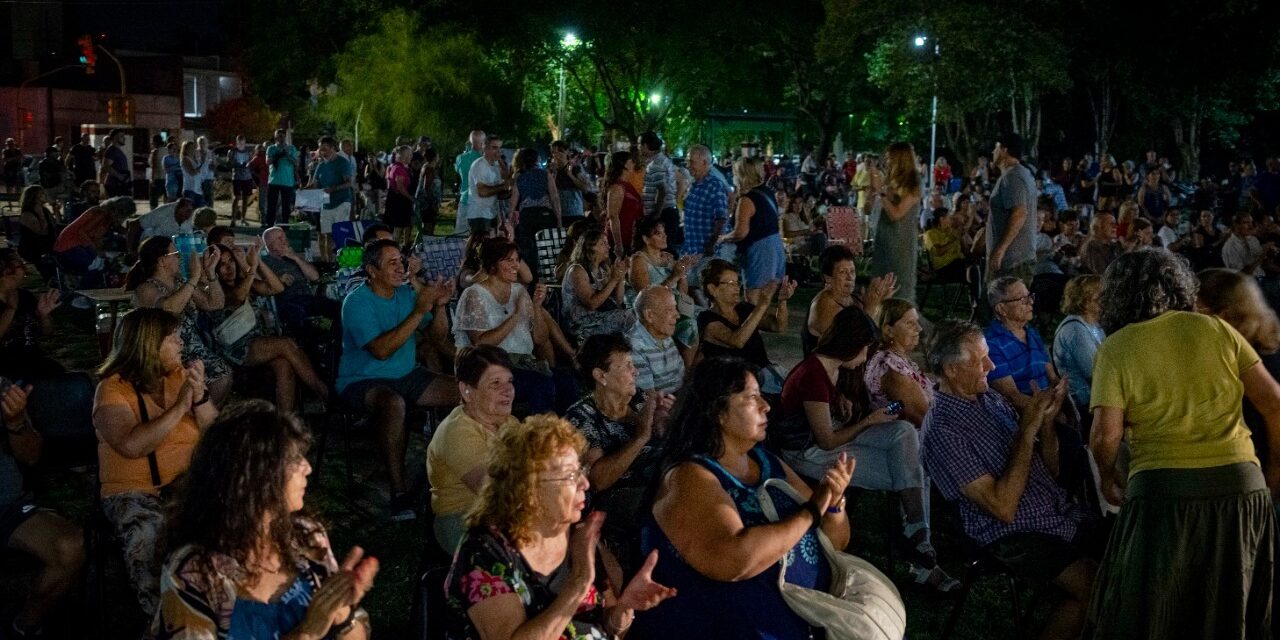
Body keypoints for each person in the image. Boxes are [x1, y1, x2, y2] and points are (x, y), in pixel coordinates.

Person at [1086, 250, 1280, 638]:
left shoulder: (1118, 346)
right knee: (1229, 608)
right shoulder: (1216, 329)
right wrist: (1273, 468)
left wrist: (1108, 479)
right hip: (1241, 487)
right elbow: (1274, 402)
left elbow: (1105, 436)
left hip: (1163, 491)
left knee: (1155, 609)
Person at [632, 357, 852, 638]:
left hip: (805, 618)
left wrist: (834, 505)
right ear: (718, 413)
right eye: (752, 398)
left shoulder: (766, 462)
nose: (766, 406)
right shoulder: (689, 477)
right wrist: (810, 513)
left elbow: (836, 541)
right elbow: (733, 559)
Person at [921, 321, 1096, 640]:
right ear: (952, 369)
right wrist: (1027, 432)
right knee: (1096, 588)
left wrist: (1045, 423)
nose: (992, 366)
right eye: (980, 360)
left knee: (1131, 553)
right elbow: (1002, 508)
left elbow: (1051, 472)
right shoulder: (942, 431)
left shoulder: (989, 400)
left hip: (1054, 510)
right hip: (1009, 534)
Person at [147, 401, 378, 640]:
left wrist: (342, 615)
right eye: (294, 459)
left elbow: (356, 634)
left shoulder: (306, 536)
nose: (307, 468)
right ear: (256, 478)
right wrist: (306, 633)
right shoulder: (196, 572)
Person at [445, 414, 676, 639]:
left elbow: (609, 626)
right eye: (570, 476)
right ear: (529, 489)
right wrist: (579, 582)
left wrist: (624, 608)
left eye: (581, 471)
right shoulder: (484, 552)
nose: (585, 483)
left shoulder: (578, 538)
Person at [779, 306, 956, 591]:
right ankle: (921, 547)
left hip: (833, 439)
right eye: (864, 349)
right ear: (849, 345)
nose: (866, 356)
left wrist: (846, 406)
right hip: (808, 453)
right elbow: (825, 441)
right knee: (915, 467)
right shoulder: (813, 375)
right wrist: (869, 421)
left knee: (904, 432)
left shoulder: (834, 369)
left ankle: (917, 533)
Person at [92, 307, 218, 615]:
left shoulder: (179, 377)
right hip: (133, 492)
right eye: (172, 338)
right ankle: (164, 619)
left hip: (184, 485)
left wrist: (199, 397)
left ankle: (223, 607)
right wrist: (178, 407)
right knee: (149, 538)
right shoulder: (112, 389)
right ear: (149, 344)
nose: (181, 344)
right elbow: (131, 445)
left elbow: (216, 434)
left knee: (230, 520)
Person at [337, 239, 459, 520]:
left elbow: (436, 337)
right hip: (362, 379)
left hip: (406, 374)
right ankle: (398, 491)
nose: (401, 267)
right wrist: (419, 311)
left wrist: (440, 306)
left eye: (401, 261)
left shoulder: (404, 295)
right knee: (394, 405)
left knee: (466, 391)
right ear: (372, 270)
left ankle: (458, 469)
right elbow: (380, 351)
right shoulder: (355, 302)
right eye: (391, 262)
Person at [564, 333, 673, 565]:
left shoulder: (640, 400)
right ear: (600, 375)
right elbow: (598, 481)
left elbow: (663, 442)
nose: (635, 371)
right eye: (626, 366)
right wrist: (641, 436)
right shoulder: (580, 419)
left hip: (659, 479)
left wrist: (664, 423)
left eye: (633, 364)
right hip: (617, 499)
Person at [3, 376, 87, 639]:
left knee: (70, 546)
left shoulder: (4, 389)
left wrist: (15, 422)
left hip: (7, 507)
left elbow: (31, 455)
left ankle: (24, 627)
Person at [453, 237, 577, 414]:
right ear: (493, 264)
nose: (516, 266)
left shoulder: (518, 291)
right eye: (509, 260)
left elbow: (540, 339)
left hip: (523, 363)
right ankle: (538, 437)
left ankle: (564, 434)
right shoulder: (474, 294)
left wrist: (536, 308)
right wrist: (516, 315)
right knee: (541, 383)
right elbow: (481, 344)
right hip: (490, 368)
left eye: (517, 260)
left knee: (566, 380)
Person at [211, 241, 328, 413]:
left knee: (283, 365)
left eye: (231, 261)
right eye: (222, 265)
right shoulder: (218, 290)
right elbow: (238, 296)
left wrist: (257, 261)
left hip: (257, 343)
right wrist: (249, 267)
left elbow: (276, 287)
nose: (229, 268)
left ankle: (283, 424)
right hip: (234, 348)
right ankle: (324, 392)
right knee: (286, 343)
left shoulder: (244, 281)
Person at [425, 345, 520, 553]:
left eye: (509, 381)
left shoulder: (509, 423)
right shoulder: (457, 431)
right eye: (495, 383)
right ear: (466, 390)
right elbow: (491, 489)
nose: (508, 390)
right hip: (463, 519)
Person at [127, 236, 233, 406]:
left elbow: (215, 304)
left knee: (223, 375)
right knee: (216, 376)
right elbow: (170, 310)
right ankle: (191, 419)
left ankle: (201, 419)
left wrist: (211, 273)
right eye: (176, 254)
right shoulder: (146, 289)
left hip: (192, 349)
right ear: (162, 261)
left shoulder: (180, 284)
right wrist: (194, 277)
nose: (180, 258)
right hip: (162, 351)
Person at [1196, 267, 1280, 469]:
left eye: (1195, 312)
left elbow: (1274, 406)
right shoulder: (1266, 344)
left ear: (1222, 316)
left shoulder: (1249, 361)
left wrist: (1275, 473)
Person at [697, 259, 793, 392]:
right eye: (730, 283)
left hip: (765, 373)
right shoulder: (707, 319)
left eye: (737, 282)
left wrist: (782, 301)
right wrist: (762, 304)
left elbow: (778, 326)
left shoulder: (744, 309)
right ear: (712, 289)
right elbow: (737, 341)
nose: (737, 287)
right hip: (738, 384)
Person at [717, 156, 786, 305]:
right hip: (775, 245)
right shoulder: (766, 192)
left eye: (735, 172)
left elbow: (740, 232)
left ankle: (752, 328)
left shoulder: (747, 199)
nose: (733, 176)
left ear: (741, 175)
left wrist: (722, 238)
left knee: (753, 298)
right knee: (766, 297)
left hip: (760, 249)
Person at [804, 244, 895, 355]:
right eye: (843, 272)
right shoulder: (823, 305)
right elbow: (846, 347)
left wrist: (881, 305)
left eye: (852, 271)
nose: (850, 278)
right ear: (828, 278)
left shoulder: (853, 299)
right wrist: (870, 310)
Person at [628, 217, 700, 345]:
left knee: (704, 316)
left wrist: (683, 271)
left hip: (674, 305)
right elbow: (646, 298)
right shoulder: (638, 261)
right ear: (646, 239)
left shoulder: (667, 257)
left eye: (664, 232)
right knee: (690, 325)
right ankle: (684, 364)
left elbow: (682, 292)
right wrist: (674, 276)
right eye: (658, 234)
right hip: (651, 311)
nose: (664, 236)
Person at [865, 298, 932, 428]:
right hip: (911, 438)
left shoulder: (894, 358)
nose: (919, 328)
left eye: (917, 322)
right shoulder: (893, 369)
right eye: (910, 323)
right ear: (889, 331)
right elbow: (925, 418)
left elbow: (899, 404)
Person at [561, 226, 635, 341]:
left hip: (601, 316)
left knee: (637, 313)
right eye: (603, 244)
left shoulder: (602, 270)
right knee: (630, 317)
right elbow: (592, 304)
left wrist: (621, 276)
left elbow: (617, 301)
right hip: (582, 323)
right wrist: (614, 280)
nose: (609, 247)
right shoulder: (577, 270)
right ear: (590, 247)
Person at [870, 142, 924, 303]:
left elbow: (897, 213)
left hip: (900, 244)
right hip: (883, 241)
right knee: (878, 290)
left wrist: (881, 192)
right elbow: (869, 208)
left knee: (899, 293)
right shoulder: (888, 181)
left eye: (890, 157)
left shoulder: (913, 183)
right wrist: (872, 189)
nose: (887, 161)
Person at [261, 225, 339, 331]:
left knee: (339, 309)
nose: (284, 240)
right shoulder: (265, 262)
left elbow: (315, 277)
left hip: (308, 299)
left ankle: (333, 332)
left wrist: (296, 257)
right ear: (270, 244)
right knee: (312, 320)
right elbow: (261, 286)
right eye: (279, 238)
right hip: (288, 304)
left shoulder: (292, 257)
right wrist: (279, 280)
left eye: (284, 237)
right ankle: (323, 329)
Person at [0, 249, 62, 380]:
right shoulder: (10, 304)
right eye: (19, 265)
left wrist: (43, 315)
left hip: (33, 360)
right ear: (6, 271)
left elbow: (48, 333)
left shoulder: (25, 296)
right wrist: (11, 309)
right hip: (6, 366)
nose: (24, 268)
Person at [986, 133, 1038, 281]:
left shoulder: (1012, 177)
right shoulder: (1022, 174)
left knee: (1002, 302)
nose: (993, 152)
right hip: (1015, 259)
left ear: (1004, 150)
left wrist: (1000, 250)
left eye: (996, 148)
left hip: (1012, 262)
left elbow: (1019, 214)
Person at [1052, 275, 1105, 416]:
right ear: (1085, 301)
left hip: (1098, 397)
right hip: (1085, 404)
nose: (1106, 300)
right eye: (1101, 296)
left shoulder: (1095, 326)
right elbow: (1094, 373)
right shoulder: (1075, 330)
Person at [682, 145, 731, 289]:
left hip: (707, 254)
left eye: (691, 162)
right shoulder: (694, 185)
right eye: (688, 161)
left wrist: (712, 244)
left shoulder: (714, 186)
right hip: (691, 250)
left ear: (704, 162)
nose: (688, 165)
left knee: (706, 293)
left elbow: (721, 218)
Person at [627, 286, 686, 395]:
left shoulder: (662, 331)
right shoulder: (634, 346)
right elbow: (650, 398)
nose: (677, 315)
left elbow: (681, 376)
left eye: (675, 308)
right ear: (649, 315)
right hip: (663, 405)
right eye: (670, 310)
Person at [508, 147, 562, 261]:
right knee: (546, 246)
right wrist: (558, 218)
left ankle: (531, 275)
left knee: (528, 247)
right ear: (537, 159)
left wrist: (510, 220)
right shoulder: (545, 174)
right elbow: (554, 197)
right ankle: (547, 273)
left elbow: (513, 201)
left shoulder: (519, 177)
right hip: (544, 213)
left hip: (526, 215)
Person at [307, 136, 354, 262]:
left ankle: (341, 262)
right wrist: (303, 190)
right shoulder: (321, 165)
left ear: (333, 148)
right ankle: (328, 262)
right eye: (321, 149)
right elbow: (315, 184)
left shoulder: (342, 162)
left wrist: (334, 188)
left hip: (342, 201)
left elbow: (349, 183)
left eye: (325, 149)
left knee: (338, 233)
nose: (322, 152)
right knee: (326, 233)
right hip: (326, 203)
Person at [641, 131, 682, 254]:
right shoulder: (662, 160)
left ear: (645, 145)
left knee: (664, 251)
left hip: (663, 213)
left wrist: (656, 214)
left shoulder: (656, 164)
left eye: (639, 144)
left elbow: (662, 190)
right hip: (667, 211)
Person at [465, 135, 509, 236]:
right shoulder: (480, 165)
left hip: (491, 213)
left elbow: (504, 183)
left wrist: (501, 162)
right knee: (481, 248)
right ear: (485, 148)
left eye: (499, 148)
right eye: (494, 148)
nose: (498, 151)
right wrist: (503, 186)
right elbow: (482, 192)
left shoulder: (496, 165)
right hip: (479, 215)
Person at [605, 151, 644, 255]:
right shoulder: (617, 188)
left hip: (631, 238)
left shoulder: (628, 185)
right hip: (621, 240)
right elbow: (613, 216)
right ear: (624, 164)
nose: (634, 163)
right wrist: (618, 244)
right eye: (631, 161)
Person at [16, 185, 58, 278]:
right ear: (35, 196)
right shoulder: (27, 214)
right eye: (42, 193)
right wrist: (41, 215)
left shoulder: (45, 211)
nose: (45, 195)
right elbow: (41, 232)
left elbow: (53, 227)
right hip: (33, 248)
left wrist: (56, 211)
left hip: (47, 245)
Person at [127, 197, 195, 254]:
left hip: (174, 248)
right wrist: (131, 251)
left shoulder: (192, 216)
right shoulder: (162, 213)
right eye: (184, 212)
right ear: (177, 208)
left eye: (189, 211)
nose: (187, 215)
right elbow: (134, 224)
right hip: (153, 245)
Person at [452, 130, 485, 235]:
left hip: (465, 199)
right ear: (483, 142)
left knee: (461, 233)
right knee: (479, 234)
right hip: (481, 202)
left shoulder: (460, 158)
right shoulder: (485, 161)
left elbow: (457, 169)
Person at [265, 129, 299, 227]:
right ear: (275, 137)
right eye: (279, 136)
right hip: (274, 180)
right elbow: (268, 162)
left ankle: (285, 224)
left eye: (283, 136)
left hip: (287, 181)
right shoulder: (271, 148)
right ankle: (270, 224)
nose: (281, 138)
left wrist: (287, 154)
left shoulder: (291, 148)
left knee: (286, 206)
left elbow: (296, 163)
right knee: (272, 204)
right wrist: (278, 155)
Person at [383, 145, 415, 244]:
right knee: (398, 226)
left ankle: (400, 246)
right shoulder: (399, 168)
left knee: (400, 226)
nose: (411, 157)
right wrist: (410, 197)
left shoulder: (398, 167)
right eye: (409, 154)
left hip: (399, 200)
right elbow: (400, 187)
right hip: (399, 201)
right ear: (403, 156)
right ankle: (394, 248)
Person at [228, 135, 254, 226]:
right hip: (237, 177)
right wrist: (236, 164)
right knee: (237, 197)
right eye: (239, 143)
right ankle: (233, 219)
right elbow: (229, 163)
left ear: (245, 143)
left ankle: (243, 218)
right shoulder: (232, 152)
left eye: (242, 143)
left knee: (246, 199)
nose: (241, 145)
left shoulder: (248, 152)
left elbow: (251, 162)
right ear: (236, 142)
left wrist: (248, 165)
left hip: (247, 177)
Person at [102, 129, 132, 198]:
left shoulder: (117, 150)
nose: (124, 138)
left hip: (119, 183)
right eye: (121, 136)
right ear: (115, 138)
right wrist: (120, 177)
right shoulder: (112, 150)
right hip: (114, 184)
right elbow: (106, 166)